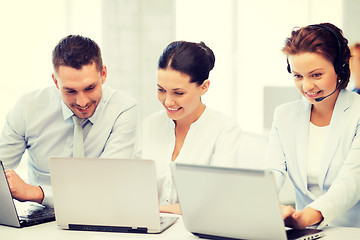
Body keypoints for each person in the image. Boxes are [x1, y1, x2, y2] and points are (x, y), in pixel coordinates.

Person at [1, 35, 139, 206]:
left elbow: (107, 185)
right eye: (70, 91)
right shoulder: (27, 109)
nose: (82, 102)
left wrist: (35, 192)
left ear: (103, 74)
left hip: (100, 213)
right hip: (38, 220)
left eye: (90, 88)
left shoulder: (123, 110)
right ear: (56, 82)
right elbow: (2, 169)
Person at [264, 23, 360, 229]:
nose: (306, 87)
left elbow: (352, 181)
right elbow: (273, 170)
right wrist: (263, 203)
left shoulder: (357, 113)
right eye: (298, 76)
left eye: (316, 75)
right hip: (304, 232)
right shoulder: (284, 114)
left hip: (351, 230)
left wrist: (306, 217)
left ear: (341, 69)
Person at [139, 41, 242, 214]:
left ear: (204, 87)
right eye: (161, 90)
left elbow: (219, 201)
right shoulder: (150, 125)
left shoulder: (225, 130)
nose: (168, 101)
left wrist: (158, 211)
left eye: (178, 93)